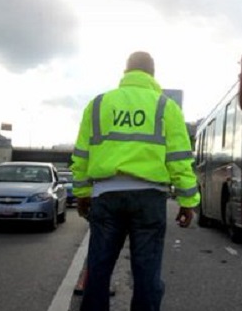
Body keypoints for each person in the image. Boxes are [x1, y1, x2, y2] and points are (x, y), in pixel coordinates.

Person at [70, 51, 200, 311]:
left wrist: (83, 194)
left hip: (105, 195)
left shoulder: (97, 105)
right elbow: (179, 159)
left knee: (98, 272)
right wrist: (187, 201)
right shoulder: (166, 106)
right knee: (146, 275)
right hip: (149, 198)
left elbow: (82, 155)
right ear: (152, 74)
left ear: (125, 71)